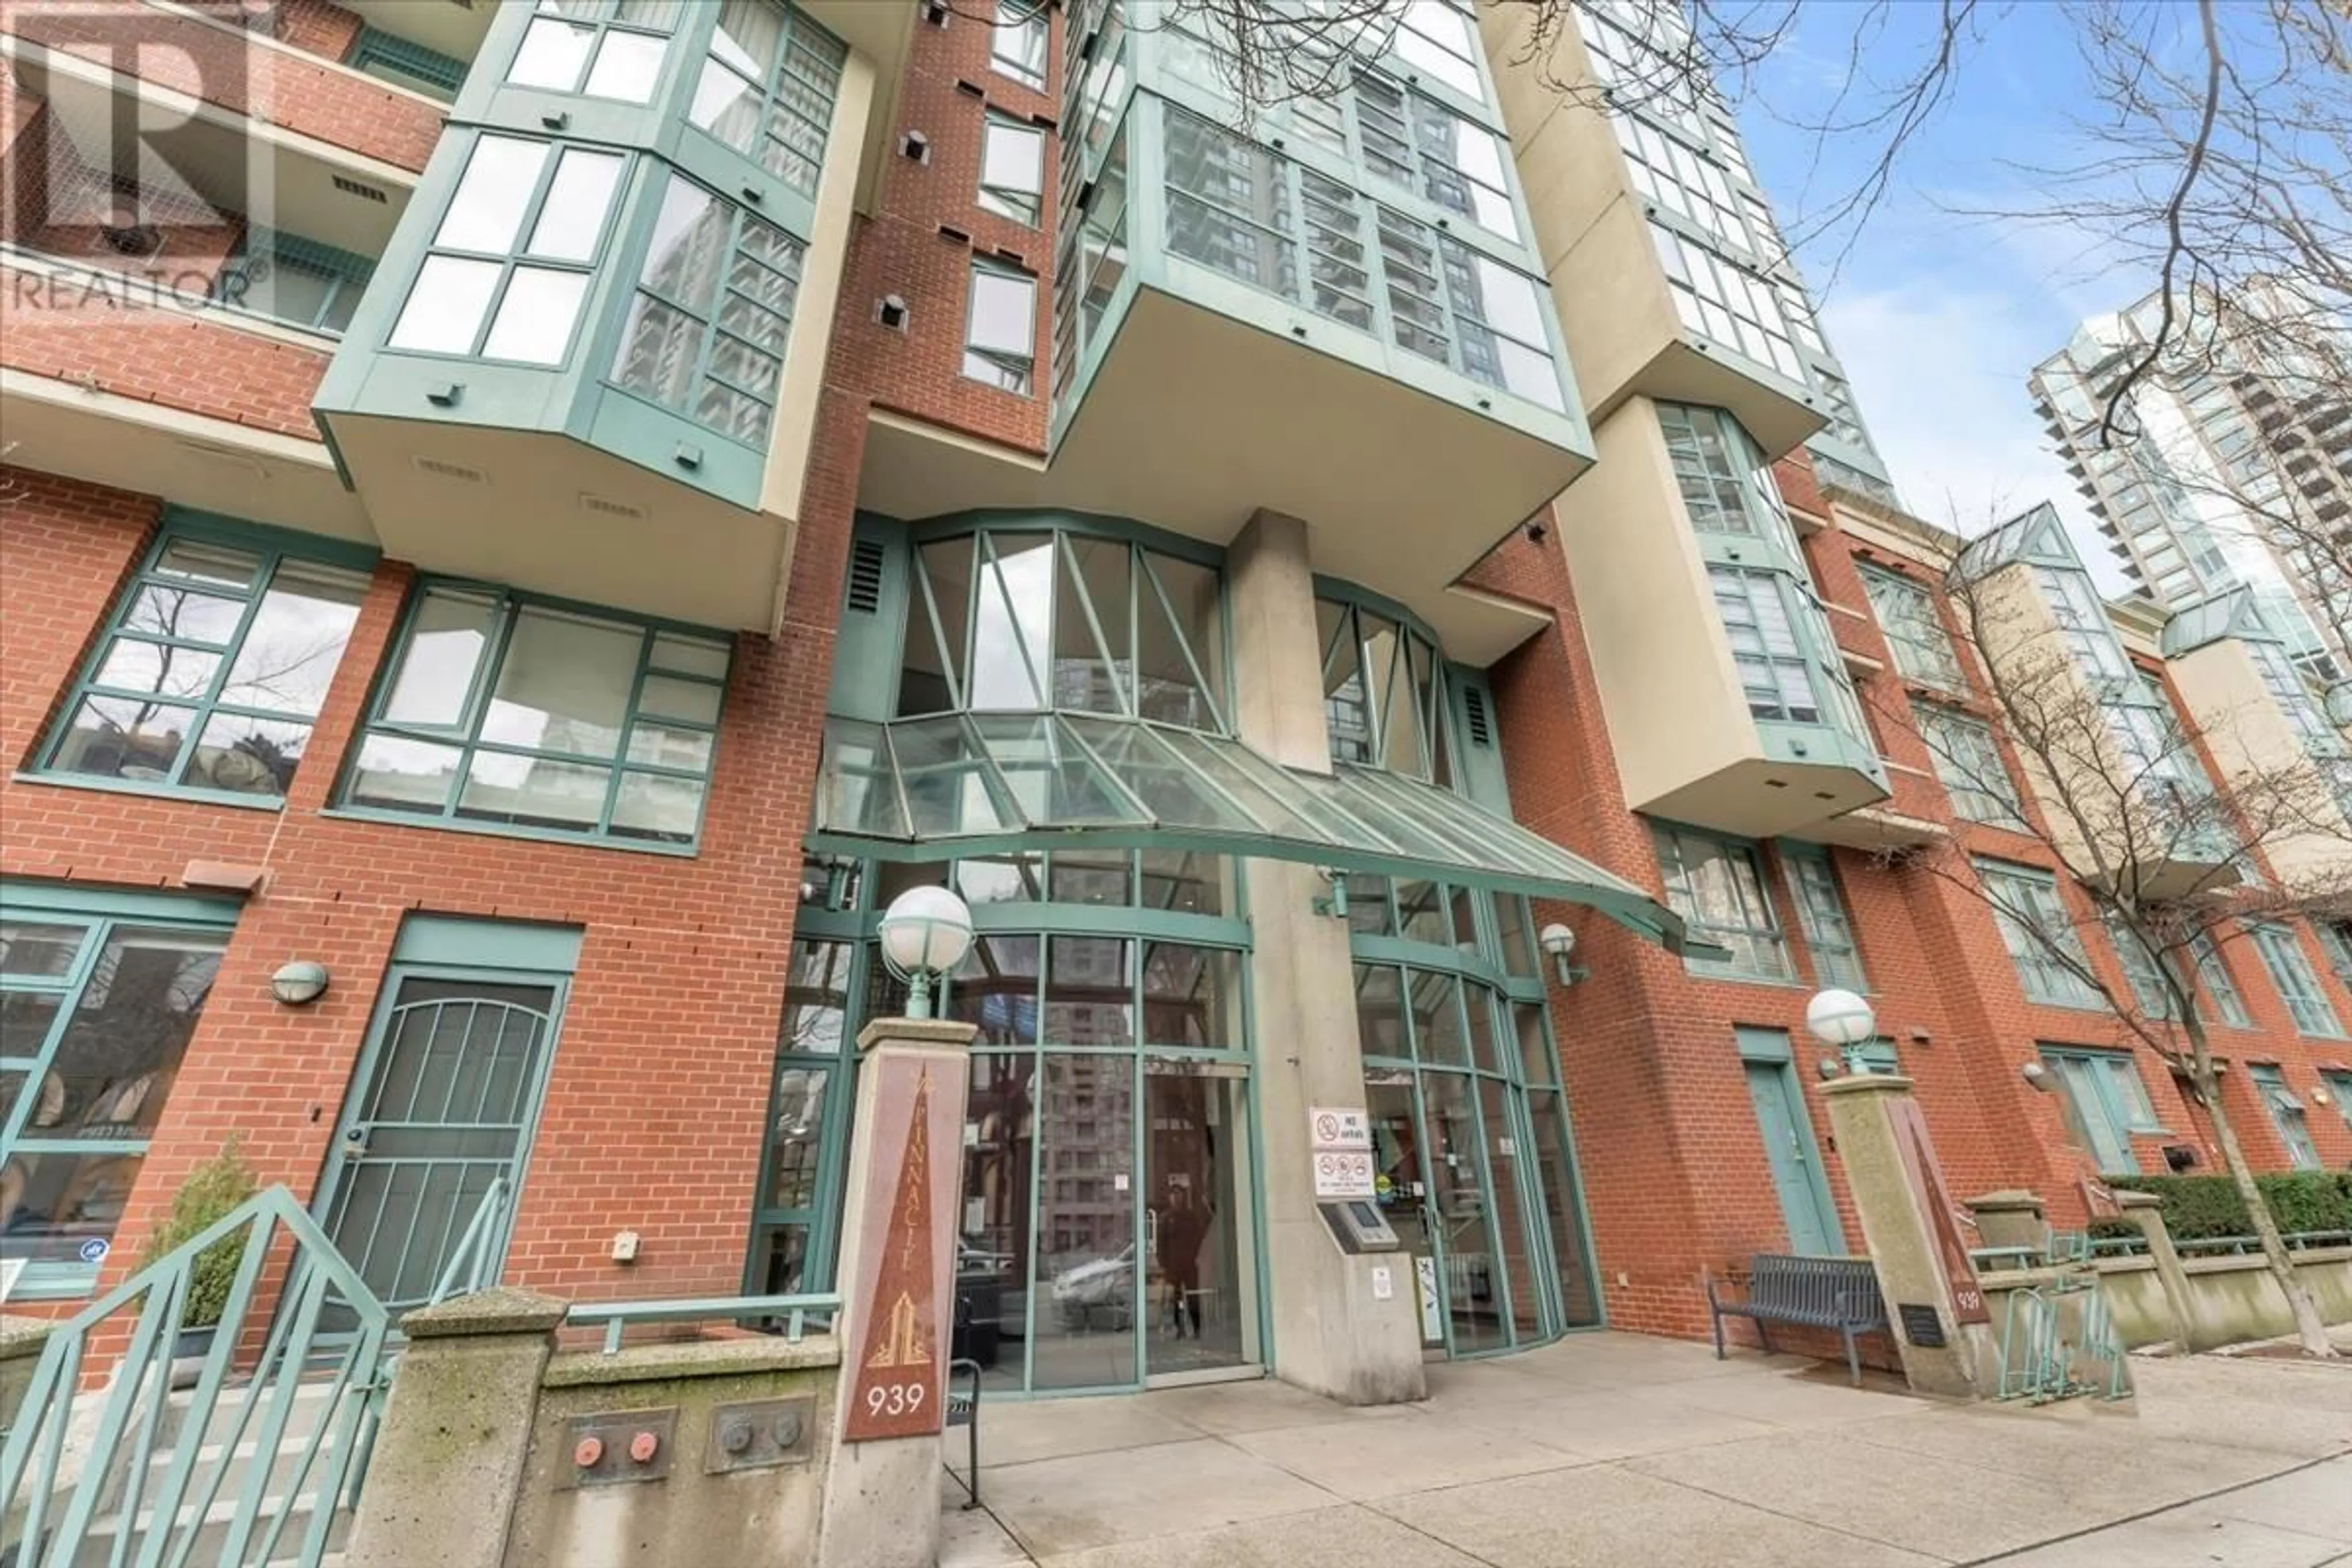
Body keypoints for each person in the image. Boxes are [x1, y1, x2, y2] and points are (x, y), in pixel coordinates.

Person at [1156, 1183, 1212, 1339]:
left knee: (1193, 1298)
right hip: (1173, 1267)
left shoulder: (1190, 1216)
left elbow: (1198, 1238)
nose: (1176, 1197)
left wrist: (1195, 1257)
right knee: (1177, 1299)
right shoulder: (1165, 1218)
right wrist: (1164, 1264)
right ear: (1169, 1197)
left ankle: (1197, 1328)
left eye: (1179, 1194)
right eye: (1173, 1194)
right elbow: (1161, 1244)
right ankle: (1179, 1328)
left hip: (1189, 1264)